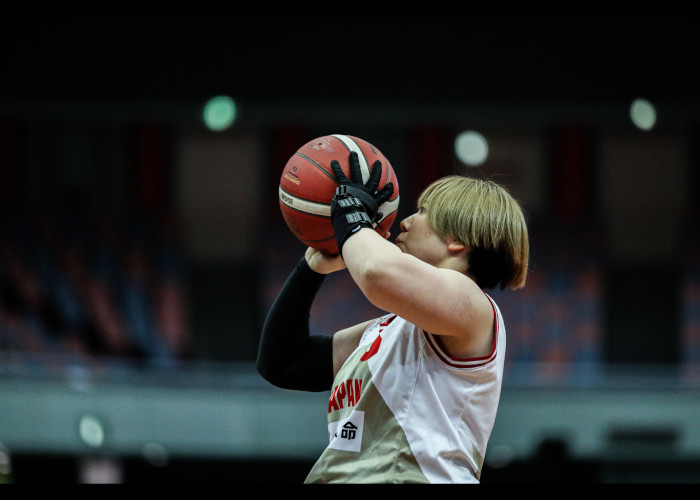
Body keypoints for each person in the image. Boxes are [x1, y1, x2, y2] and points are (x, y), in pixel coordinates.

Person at [257, 150, 529, 483]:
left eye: (425, 212)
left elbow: (375, 272)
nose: (406, 221)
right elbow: (283, 362)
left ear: (457, 239)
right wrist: (310, 269)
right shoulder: (388, 330)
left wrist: (352, 217)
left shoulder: (474, 306)